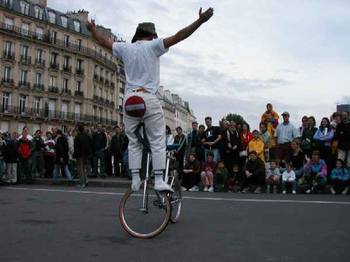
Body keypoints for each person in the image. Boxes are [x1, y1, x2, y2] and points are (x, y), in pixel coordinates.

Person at [87, 7, 214, 192]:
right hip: (147, 98)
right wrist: (200, 21)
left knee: (134, 141)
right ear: (150, 36)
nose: (155, 39)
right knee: (157, 140)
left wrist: (92, 29)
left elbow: (103, 41)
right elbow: (179, 35)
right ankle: (159, 179)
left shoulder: (124, 48)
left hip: (129, 100)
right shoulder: (153, 46)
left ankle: (136, 179)